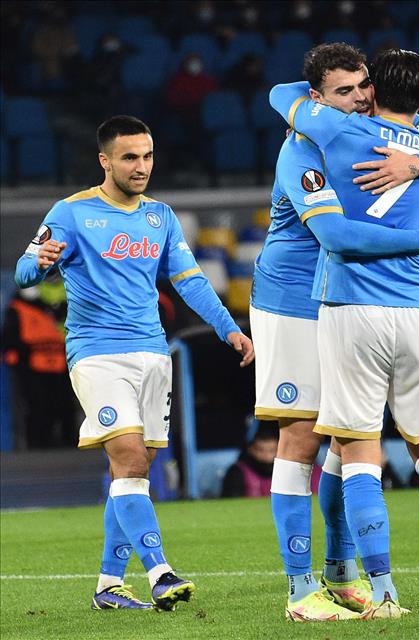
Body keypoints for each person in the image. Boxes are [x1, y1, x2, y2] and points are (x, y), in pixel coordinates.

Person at [270, 48, 419, 618]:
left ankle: (385, 591)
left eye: (361, 87)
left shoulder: (338, 135)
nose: (355, 97)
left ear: (372, 90)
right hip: (418, 311)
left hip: (349, 308)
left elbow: (280, 96)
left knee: (358, 451)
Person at [14, 115, 254, 611]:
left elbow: (189, 280)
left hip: (152, 353)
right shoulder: (72, 212)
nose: (141, 166)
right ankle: (160, 573)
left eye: (147, 156)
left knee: (134, 469)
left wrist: (227, 327)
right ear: (105, 160)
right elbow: (22, 271)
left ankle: (108, 585)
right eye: (129, 157)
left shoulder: (160, 216)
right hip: (97, 354)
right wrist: (38, 262)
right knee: (127, 455)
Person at [2, 280, 76, 448]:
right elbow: (10, 339)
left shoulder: (53, 307)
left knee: (63, 403)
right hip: (31, 365)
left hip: (60, 361)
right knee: (36, 404)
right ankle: (38, 442)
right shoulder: (17, 308)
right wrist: (19, 358)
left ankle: (66, 440)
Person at [221, 423, 279, 498]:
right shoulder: (238, 472)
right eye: (260, 450)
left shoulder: (282, 472)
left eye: (271, 451)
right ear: (250, 449)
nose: (266, 455)